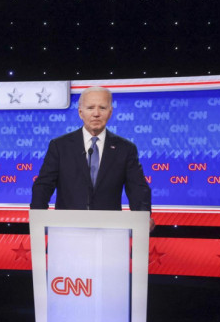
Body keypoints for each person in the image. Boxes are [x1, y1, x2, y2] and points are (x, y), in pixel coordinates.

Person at [30, 86, 153, 226]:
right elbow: (43, 185)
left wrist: (143, 217)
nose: (96, 114)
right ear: (80, 112)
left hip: (110, 230)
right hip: (67, 229)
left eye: (102, 108)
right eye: (90, 108)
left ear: (110, 112)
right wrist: (37, 217)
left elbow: (138, 189)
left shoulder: (125, 149)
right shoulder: (60, 146)